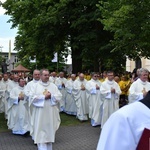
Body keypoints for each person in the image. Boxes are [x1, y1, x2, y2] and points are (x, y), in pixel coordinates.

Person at [29, 69, 62, 150]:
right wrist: (44, 97)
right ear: (40, 76)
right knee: (41, 134)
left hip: (51, 113)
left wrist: (52, 96)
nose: (47, 77)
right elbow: (32, 98)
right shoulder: (35, 86)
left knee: (49, 134)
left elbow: (59, 96)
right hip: (40, 114)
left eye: (48, 75)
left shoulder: (53, 86)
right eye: (45, 75)